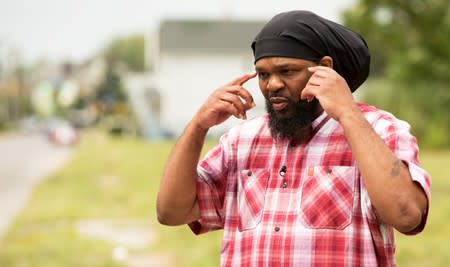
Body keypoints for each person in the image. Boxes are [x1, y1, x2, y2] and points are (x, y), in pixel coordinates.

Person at [157, 10, 431, 266]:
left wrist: (348, 114)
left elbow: (406, 215)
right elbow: (171, 212)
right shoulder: (240, 141)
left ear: (325, 68)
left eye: (286, 71)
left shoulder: (379, 130)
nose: (272, 84)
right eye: (263, 74)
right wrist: (197, 126)